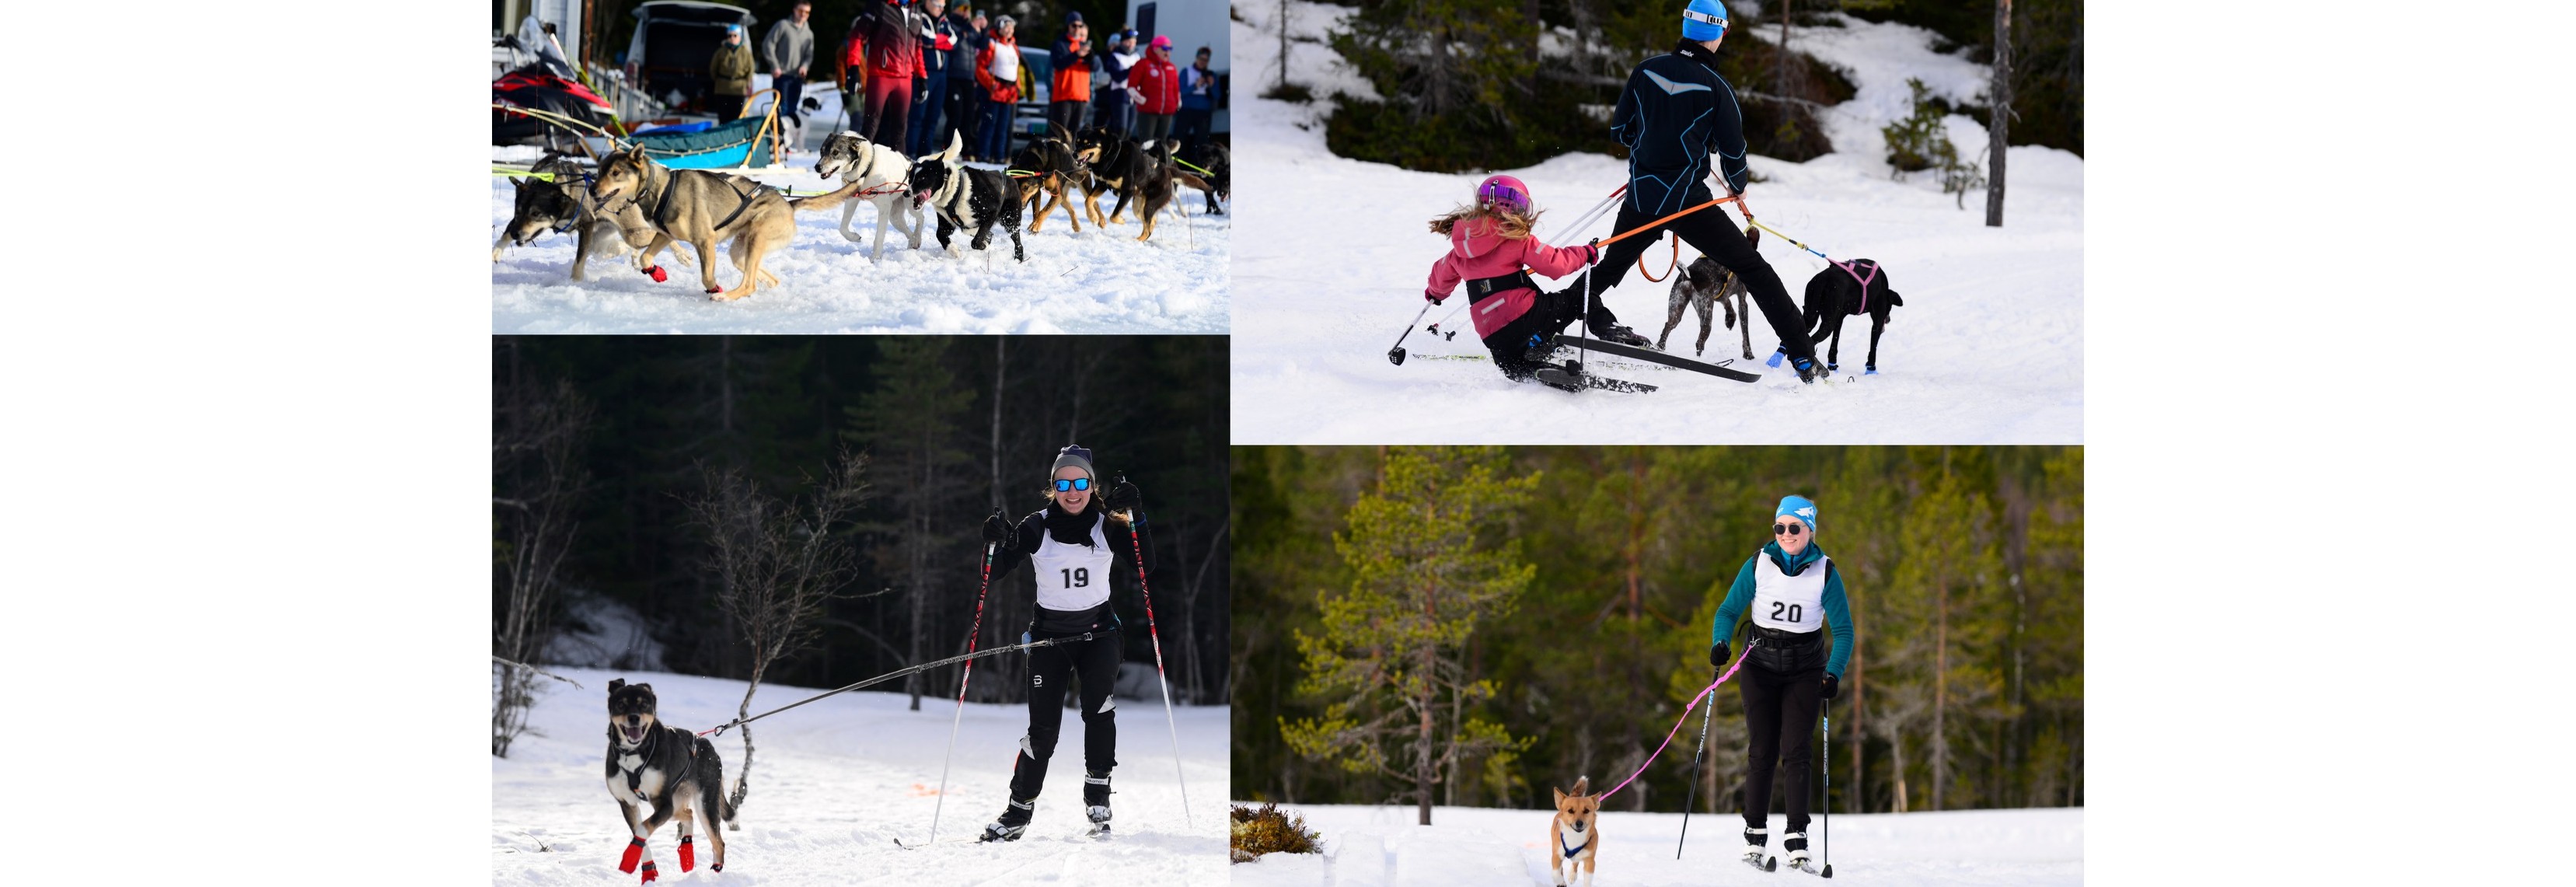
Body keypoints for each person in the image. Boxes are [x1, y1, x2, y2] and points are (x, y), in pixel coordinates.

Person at [1555, 0, 1828, 382]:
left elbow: (1621, 132)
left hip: (1642, 197)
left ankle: (1542, 323)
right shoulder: (1718, 88)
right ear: (1721, 32)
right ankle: (1802, 357)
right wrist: (1737, 186)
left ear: (1685, 28)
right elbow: (1734, 156)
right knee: (1754, 270)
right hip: (1688, 204)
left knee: (1609, 269)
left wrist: (1652, 149)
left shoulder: (1645, 70)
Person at [976, 445, 1154, 842]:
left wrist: (1136, 517)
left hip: (1100, 634)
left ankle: (1098, 794)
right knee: (1042, 731)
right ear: (1052, 487)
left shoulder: (1107, 526)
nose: (1072, 492)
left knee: (1098, 707)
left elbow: (1146, 565)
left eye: (1079, 483)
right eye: (1063, 483)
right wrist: (991, 543)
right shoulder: (1036, 527)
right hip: (1049, 639)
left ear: (1092, 486)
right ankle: (1018, 812)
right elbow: (994, 572)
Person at [1707, 494, 1852, 872]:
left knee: (1797, 750)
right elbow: (1727, 610)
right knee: (1762, 749)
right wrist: (1720, 642)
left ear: (1810, 531)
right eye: (1780, 527)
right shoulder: (1758, 563)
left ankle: (1797, 838)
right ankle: (1754, 836)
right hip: (1759, 665)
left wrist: (1833, 672)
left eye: (1795, 528)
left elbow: (1844, 631)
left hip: (1805, 669)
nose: (1786, 534)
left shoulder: (1825, 571)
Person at [1420, 176, 1604, 384]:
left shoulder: (1460, 251)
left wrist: (1435, 293)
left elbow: (1440, 273)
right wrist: (1585, 254)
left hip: (1492, 335)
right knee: (1580, 299)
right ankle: (1611, 330)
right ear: (1514, 207)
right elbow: (1555, 264)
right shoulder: (1515, 239)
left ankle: (1535, 370)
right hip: (1526, 315)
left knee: (1514, 367)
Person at [845, 0, 918, 152]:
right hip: (881, 74)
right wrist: (853, 68)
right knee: (871, 125)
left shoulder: (916, 9)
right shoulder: (879, 5)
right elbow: (857, 37)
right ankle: (859, 170)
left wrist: (922, 75)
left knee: (900, 129)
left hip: (905, 78)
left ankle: (900, 172)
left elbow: (918, 46)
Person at [907, 0, 957, 157]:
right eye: (938, 5)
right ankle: (912, 152)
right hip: (925, 73)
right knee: (918, 116)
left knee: (933, 117)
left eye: (943, 6)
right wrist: (940, 41)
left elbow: (953, 41)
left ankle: (925, 154)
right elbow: (926, 39)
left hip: (942, 74)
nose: (941, 9)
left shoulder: (944, 19)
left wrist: (937, 41)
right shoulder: (919, 15)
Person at [762, 2, 815, 146]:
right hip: (782, 75)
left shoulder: (808, 33)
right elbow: (768, 44)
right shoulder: (783, 25)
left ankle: (786, 145)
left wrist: (805, 66)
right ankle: (775, 144)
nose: (803, 15)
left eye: (807, 12)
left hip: (797, 78)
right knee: (781, 110)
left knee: (792, 111)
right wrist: (775, 65)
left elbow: (809, 55)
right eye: (801, 11)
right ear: (794, 10)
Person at [973, 15, 1021, 162]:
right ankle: (984, 154)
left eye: (1012, 28)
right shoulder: (992, 44)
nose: (1009, 31)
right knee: (989, 124)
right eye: (1006, 27)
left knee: (1003, 127)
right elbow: (980, 67)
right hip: (994, 92)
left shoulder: (1013, 46)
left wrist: (1018, 86)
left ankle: (999, 156)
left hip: (1008, 93)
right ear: (999, 27)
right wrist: (991, 84)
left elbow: (1015, 69)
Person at [949, 5, 987, 159]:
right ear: (955, 8)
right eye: (963, 7)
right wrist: (972, 27)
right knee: (956, 114)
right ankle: (949, 147)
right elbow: (956, 42)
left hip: (969, 78)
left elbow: (983, 46)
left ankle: (963, 150)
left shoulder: (972, 28)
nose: (967, 11)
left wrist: (984, 30)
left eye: (969, 8)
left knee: (969, 115)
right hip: (953, 76)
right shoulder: (951, 23)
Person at [1127, 36, 1180, 143]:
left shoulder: (1171, 67)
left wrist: (1177, 102)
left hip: (1167, 113)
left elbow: (1176, 89)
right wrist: (1143, 100)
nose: (1168, 52)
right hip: (1148, 113)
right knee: (1147, 144)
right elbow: (1131, 87)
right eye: (1165, 48)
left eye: (1170, 49)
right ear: (1155, 48)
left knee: (1161, 145)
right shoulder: (1143, 64)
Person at [1048, 13, 1092, 138]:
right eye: (1074, 25)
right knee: (1060, 132)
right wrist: (1076, 55)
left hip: (1081, 95)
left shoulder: (1084, 45)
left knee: (1075, 132)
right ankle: (1055, 156)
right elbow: (1059, 64)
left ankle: (1071, 156)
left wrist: (1091, 57)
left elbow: (1096, 67)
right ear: (1068, 26)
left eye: (1080, 25)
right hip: (1064, 95)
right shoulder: (1059, 44)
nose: (1077, 28)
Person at [1091, 29, 1138, 134]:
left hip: (1131, 97)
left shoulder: (1135, 56)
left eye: (1133, 42)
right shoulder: (1109, 57)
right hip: (1109, 99)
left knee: (1127, 131)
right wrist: (1131, 70)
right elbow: (1103, 78)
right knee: (1112, 130)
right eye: (1113, 45)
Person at [707, 23, 755, 120]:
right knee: (723, 116)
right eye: (730, 35)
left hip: (739, 89)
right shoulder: (721, 51)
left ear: (740, 37)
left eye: (735, 35)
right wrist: (719, 80)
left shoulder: (745, 52)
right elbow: (713, 69)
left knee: (736, 117)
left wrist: (746, 83)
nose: (732, 38)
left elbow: (751, 69)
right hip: (723, 88)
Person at [1174, 46, 1216, 154]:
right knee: (1180, 138)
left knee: (1201, 141)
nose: (1203, 62)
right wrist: (1194, 86)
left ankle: (1197, 165)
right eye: (1201, 59)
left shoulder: (1212, 75)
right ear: (1196, 58)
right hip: (1186, 110)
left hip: (1204, 112)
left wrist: (1212, 85)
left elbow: (1217, 95)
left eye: (1206, 60)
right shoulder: (1186, 71)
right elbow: (1179, 92)